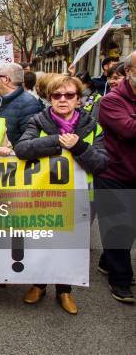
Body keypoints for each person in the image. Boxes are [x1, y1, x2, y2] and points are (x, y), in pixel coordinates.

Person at [15, 75, 108, 314]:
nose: (63, 100)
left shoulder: (92, 125)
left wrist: (78, 146)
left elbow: (101, 163)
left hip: (80, 197)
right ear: (49, 98)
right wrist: (57, 141)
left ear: (78, 99)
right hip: (44, 194)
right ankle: (39, 285)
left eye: (69, 95)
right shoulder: (38, 120)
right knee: (41, 239)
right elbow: (22, 149)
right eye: (57, 95)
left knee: (70, 244)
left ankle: (64, 290)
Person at [95, 50, 136, 304]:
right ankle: (120, 281)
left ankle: (106, 261)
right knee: (118, 226)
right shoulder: (111, 100)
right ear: (129, 72)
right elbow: (129, 130)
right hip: (114, 173)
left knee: (129, 227)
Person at [0, 63, 42, 146]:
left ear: (5, 79)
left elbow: (30, 140)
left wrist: (10, 150)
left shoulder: (29, 104)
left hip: (12, 157)